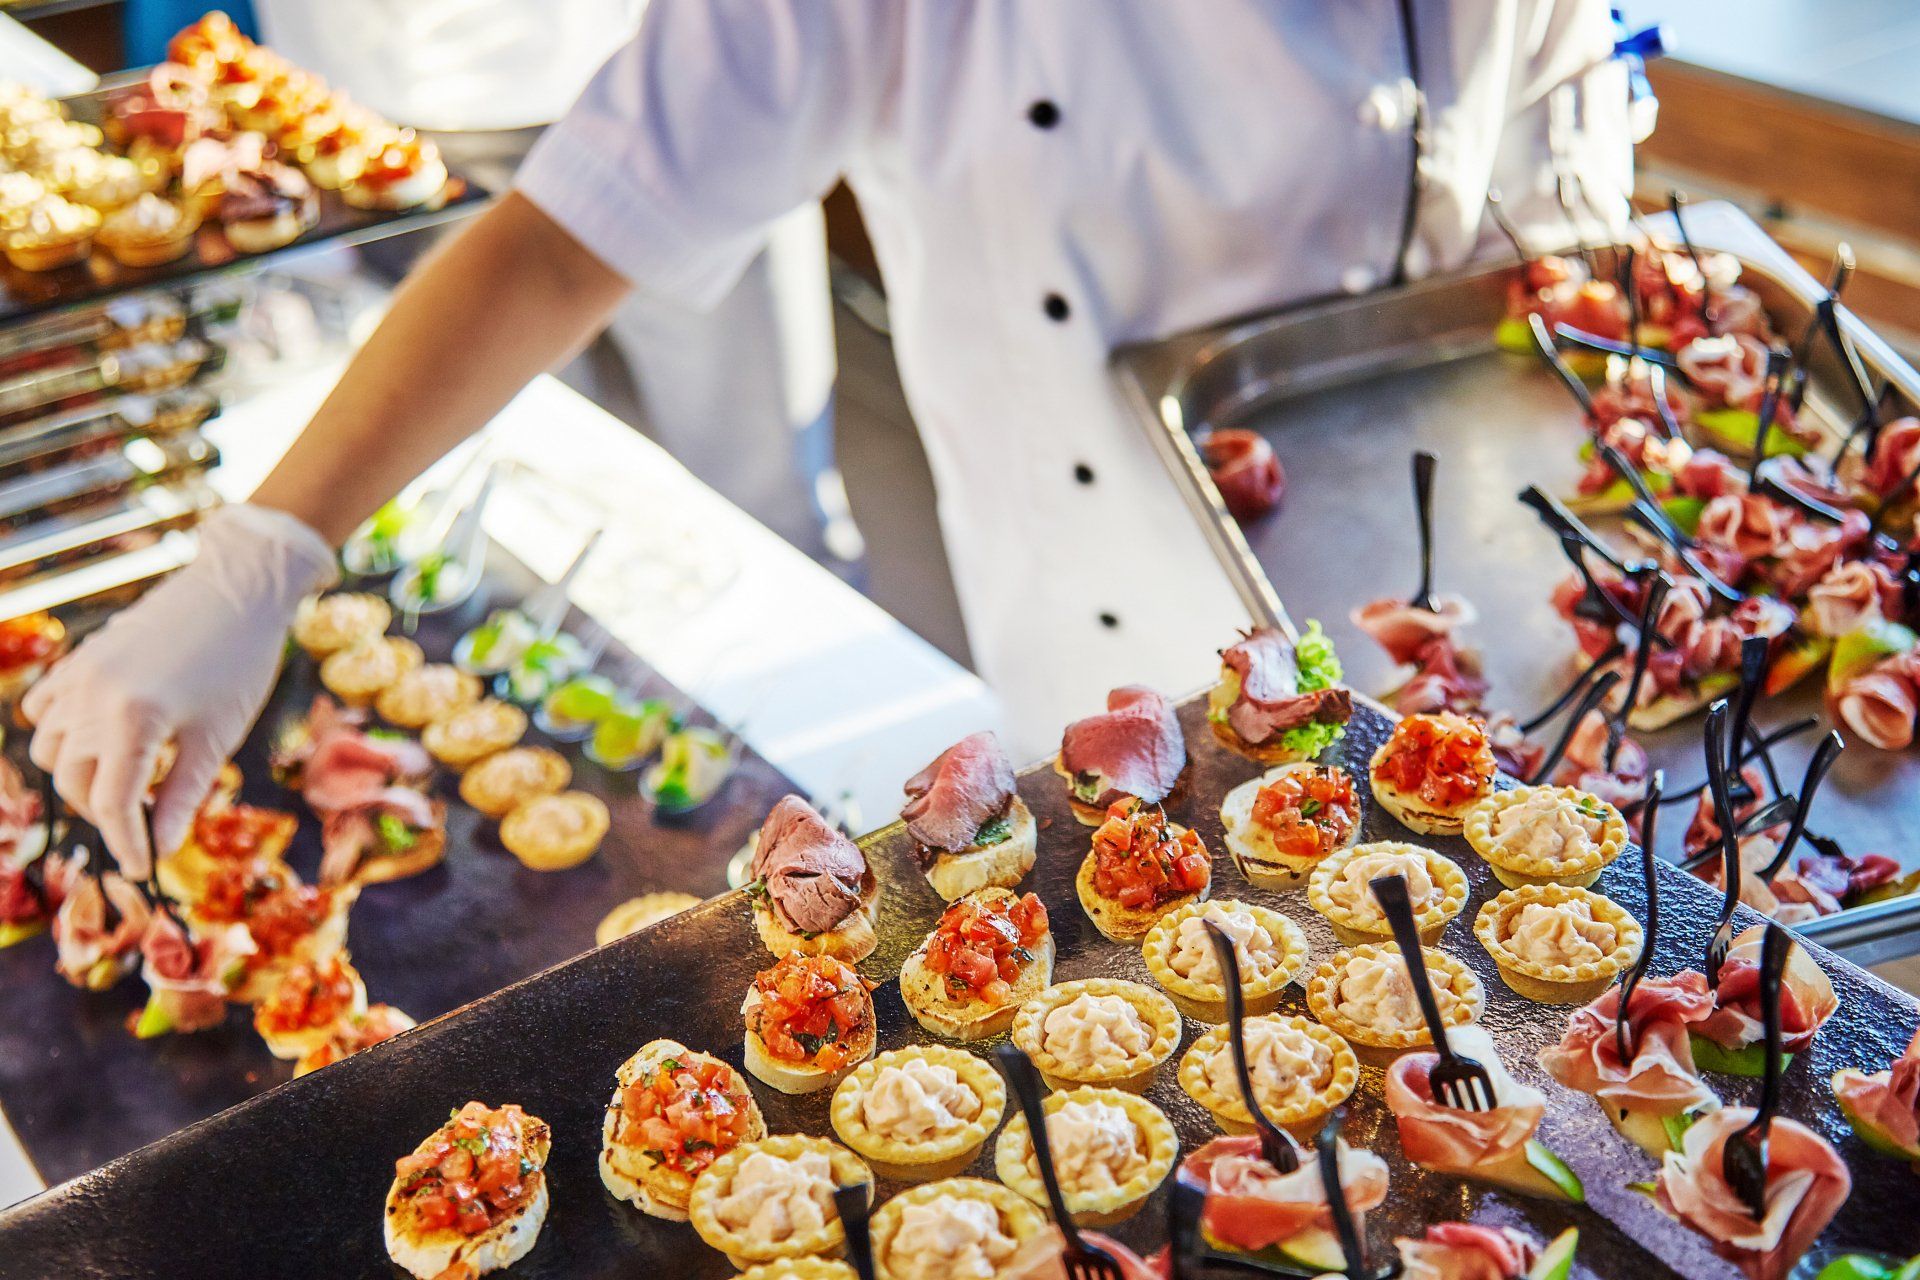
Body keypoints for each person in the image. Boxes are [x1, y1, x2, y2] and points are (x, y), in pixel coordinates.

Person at [27, 0, 1633, 877]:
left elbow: (1566, 248)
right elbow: (566, 234)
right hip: (1111, 649)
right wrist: (267, 548)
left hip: (1473, 597)